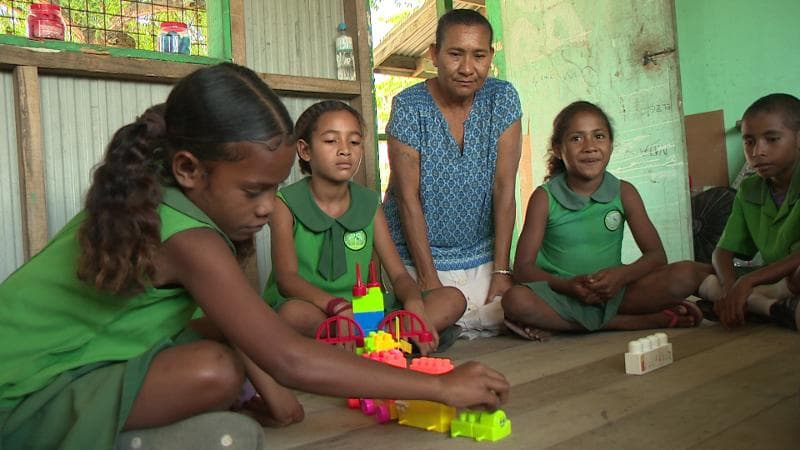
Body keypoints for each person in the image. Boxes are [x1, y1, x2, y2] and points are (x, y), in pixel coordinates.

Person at [0, 63, 509, 450]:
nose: (267, 208)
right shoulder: (188, 239)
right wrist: (437, 389)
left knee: (221, 356)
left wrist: (276, 395)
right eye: (253, 192)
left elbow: (227, 325)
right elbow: (287, 356)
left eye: (272, 190)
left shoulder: (161, 197)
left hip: (78, 361)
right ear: (188, 169)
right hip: (19, 394)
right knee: (218, 379)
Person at [264, 100, 466, 355]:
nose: (345, 150)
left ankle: (361, 345)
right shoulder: (285, 203)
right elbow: (287, 279)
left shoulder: (369, 203)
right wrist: (336, 307)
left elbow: (399, 275)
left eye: (354, 142)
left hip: (365, 313)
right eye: (331, 141)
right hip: (317, 309)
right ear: (305, 151)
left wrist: (414, 302)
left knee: (452, 299)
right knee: (291, 315)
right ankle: (392, 343)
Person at [501, 101, 711, 340]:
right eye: (577, 139)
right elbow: (523, 269)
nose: (590, 147)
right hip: (561, 294)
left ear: (611, 145)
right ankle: (636, 322)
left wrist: (620, 277)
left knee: (686, 274)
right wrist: (568, 285)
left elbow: (656, 255)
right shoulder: (544, 197)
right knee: (515, 301)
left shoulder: (624, 192)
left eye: (599, 136)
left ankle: (564, 324)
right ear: (558, 149)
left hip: (614, 293)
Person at [383, 9, 522, 338]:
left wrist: (502, 270)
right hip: (419, 258)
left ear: (490, 56)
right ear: (434, 54)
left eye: (479, 56)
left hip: (481, 256)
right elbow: (407, 199)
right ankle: (450, 323)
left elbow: (505, 188)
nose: (467, 69)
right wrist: (428, 278)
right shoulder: (410, 106)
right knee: (445, 306)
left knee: (518, 305)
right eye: (455, 54)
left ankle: (457, 325)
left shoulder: (501, 98)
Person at [697, 93, 800, 330]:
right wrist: (731, 287)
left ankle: (757, 302)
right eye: (749, 141)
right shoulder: (750, 188)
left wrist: (748, 282)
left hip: (783, 279)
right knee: (685, 272)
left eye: (772, 139)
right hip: (771, 279)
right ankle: (769, 307)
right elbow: (721, 253)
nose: (757, 152)